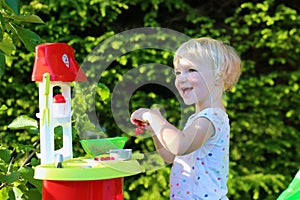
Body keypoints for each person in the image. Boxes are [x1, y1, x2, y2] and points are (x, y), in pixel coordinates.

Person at [130, 37, 241, 199]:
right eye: (178, 72)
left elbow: (180, 145)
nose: (181, 78)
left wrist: (152, 116)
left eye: (191, 70)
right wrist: (156, 130)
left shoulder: (212, 117)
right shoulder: (197, 119)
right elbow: (172, 156)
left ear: (219, 75)